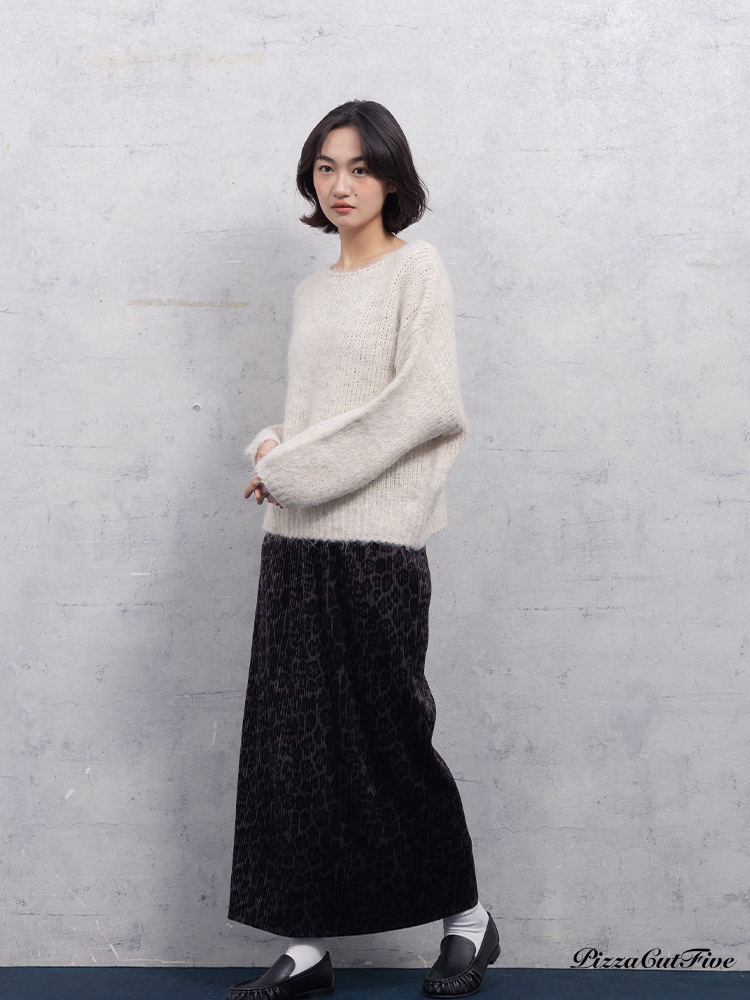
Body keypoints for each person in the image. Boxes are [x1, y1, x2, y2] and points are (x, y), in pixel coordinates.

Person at [226, 100, 499, 1000]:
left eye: (360, 167)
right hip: (295, 544)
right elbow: (316, 412)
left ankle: (467, 921)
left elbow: (424, 404)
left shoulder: (417, 270)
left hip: (377, 541)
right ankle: (306, 947)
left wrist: (293, 471)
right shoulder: (313, 291)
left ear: (391, 177)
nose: (341, 185)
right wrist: (273, 445)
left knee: (391, 737)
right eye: (325, 168)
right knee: (293, 747)